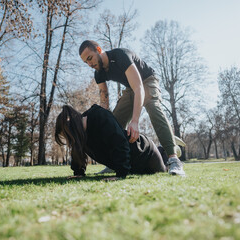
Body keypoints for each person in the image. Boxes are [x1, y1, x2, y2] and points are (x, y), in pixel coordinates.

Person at [79, 40, 185, 176]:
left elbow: (139, 88)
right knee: (113, 123)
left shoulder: (120, 55)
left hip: (147, 80)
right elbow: (104, 99)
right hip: (130, 88)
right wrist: (102, 123)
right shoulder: (99, 73)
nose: (90, 64)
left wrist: (135, 121)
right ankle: (115, 163)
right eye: (86, 62)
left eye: (90, 58)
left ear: (98, 50)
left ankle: (173, 158)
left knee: (152, 106)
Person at [55, 104, 169, 180]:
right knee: (141, 173)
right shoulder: (80, 136)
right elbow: (77, 151)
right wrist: (78, 173)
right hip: (132, 165)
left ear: (73, 129)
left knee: (163, 170)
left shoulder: (100, 116)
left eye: (67, 136)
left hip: (145, 154)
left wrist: (120, 174)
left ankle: (164, 150)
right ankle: (162, 151)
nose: (69, 140)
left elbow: (120, 144)